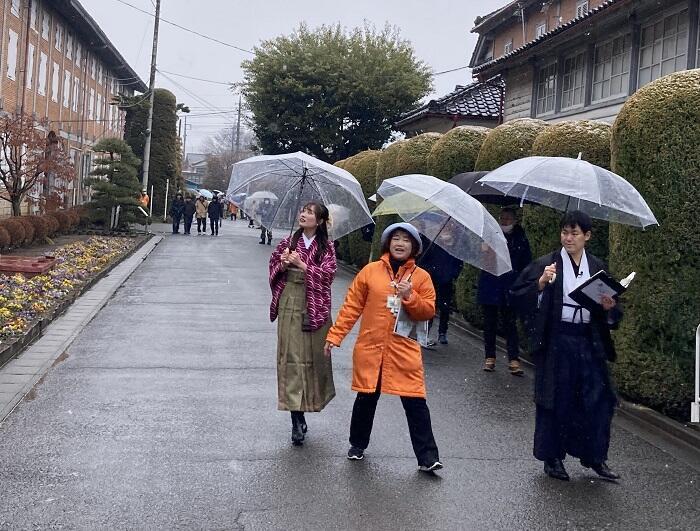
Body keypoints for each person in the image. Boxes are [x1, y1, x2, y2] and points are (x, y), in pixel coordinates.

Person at [510, 210, 621, 482]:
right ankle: (553, 457)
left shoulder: (596, 267)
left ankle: (595, 456)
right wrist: (540, 283)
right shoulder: (547, 264)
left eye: (574, 233)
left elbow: (613, 313)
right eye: (564, 232)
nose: (568, 238)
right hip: (557, 339)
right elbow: (516, 297)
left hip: (588, 338)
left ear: (587, 236)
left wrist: (609, 308)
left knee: (598, 399)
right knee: (555, 399)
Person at [325, 223, 443, 473]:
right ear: (387, 243)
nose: (400, 243)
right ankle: (357, 444)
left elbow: (428, 311)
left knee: (415, 402)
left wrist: (410, 296)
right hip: (371, 347)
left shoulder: (421, 278)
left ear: (415, 247)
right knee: (366, 397)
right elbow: (351, 307)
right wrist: (335, 335)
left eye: (406, 240)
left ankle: (428, 457)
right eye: (396, 238)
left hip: (404, 351)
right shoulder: (370, 272)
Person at [269, 202, 336, 445]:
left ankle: (307, 406)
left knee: (313, 358)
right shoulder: (288, 242)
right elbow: (273, 267)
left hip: (315, 305)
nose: (303, 214)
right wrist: (283, 264)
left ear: (319, 221)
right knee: (291, 359)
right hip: (290, 300)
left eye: (309, 212)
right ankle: (295, 418)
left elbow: (328, 275)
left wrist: (303, 266)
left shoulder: (326, 247)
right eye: (303, 211)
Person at [477, 207, 532, 375]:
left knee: (510, 324)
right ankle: (490, 357)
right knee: (490, 323)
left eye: (508, 219)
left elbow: (526, 262)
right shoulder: (491, 234)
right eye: (502, 218)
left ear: (515, 221)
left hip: (510, 284)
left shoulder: (520, 237)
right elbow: (480, 261)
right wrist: (484, 250)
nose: (505, 222)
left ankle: (514, 359)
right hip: (491, 282)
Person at [419, 230, 463, 346]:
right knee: (430, 306)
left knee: (445, 307)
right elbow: (425, 261)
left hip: (446, 281)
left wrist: (452, 274)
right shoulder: (433, 244)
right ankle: (426, 331)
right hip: (433, 280)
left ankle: (442, 332)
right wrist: (431, 271)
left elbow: (458, 263)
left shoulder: (455, 247)